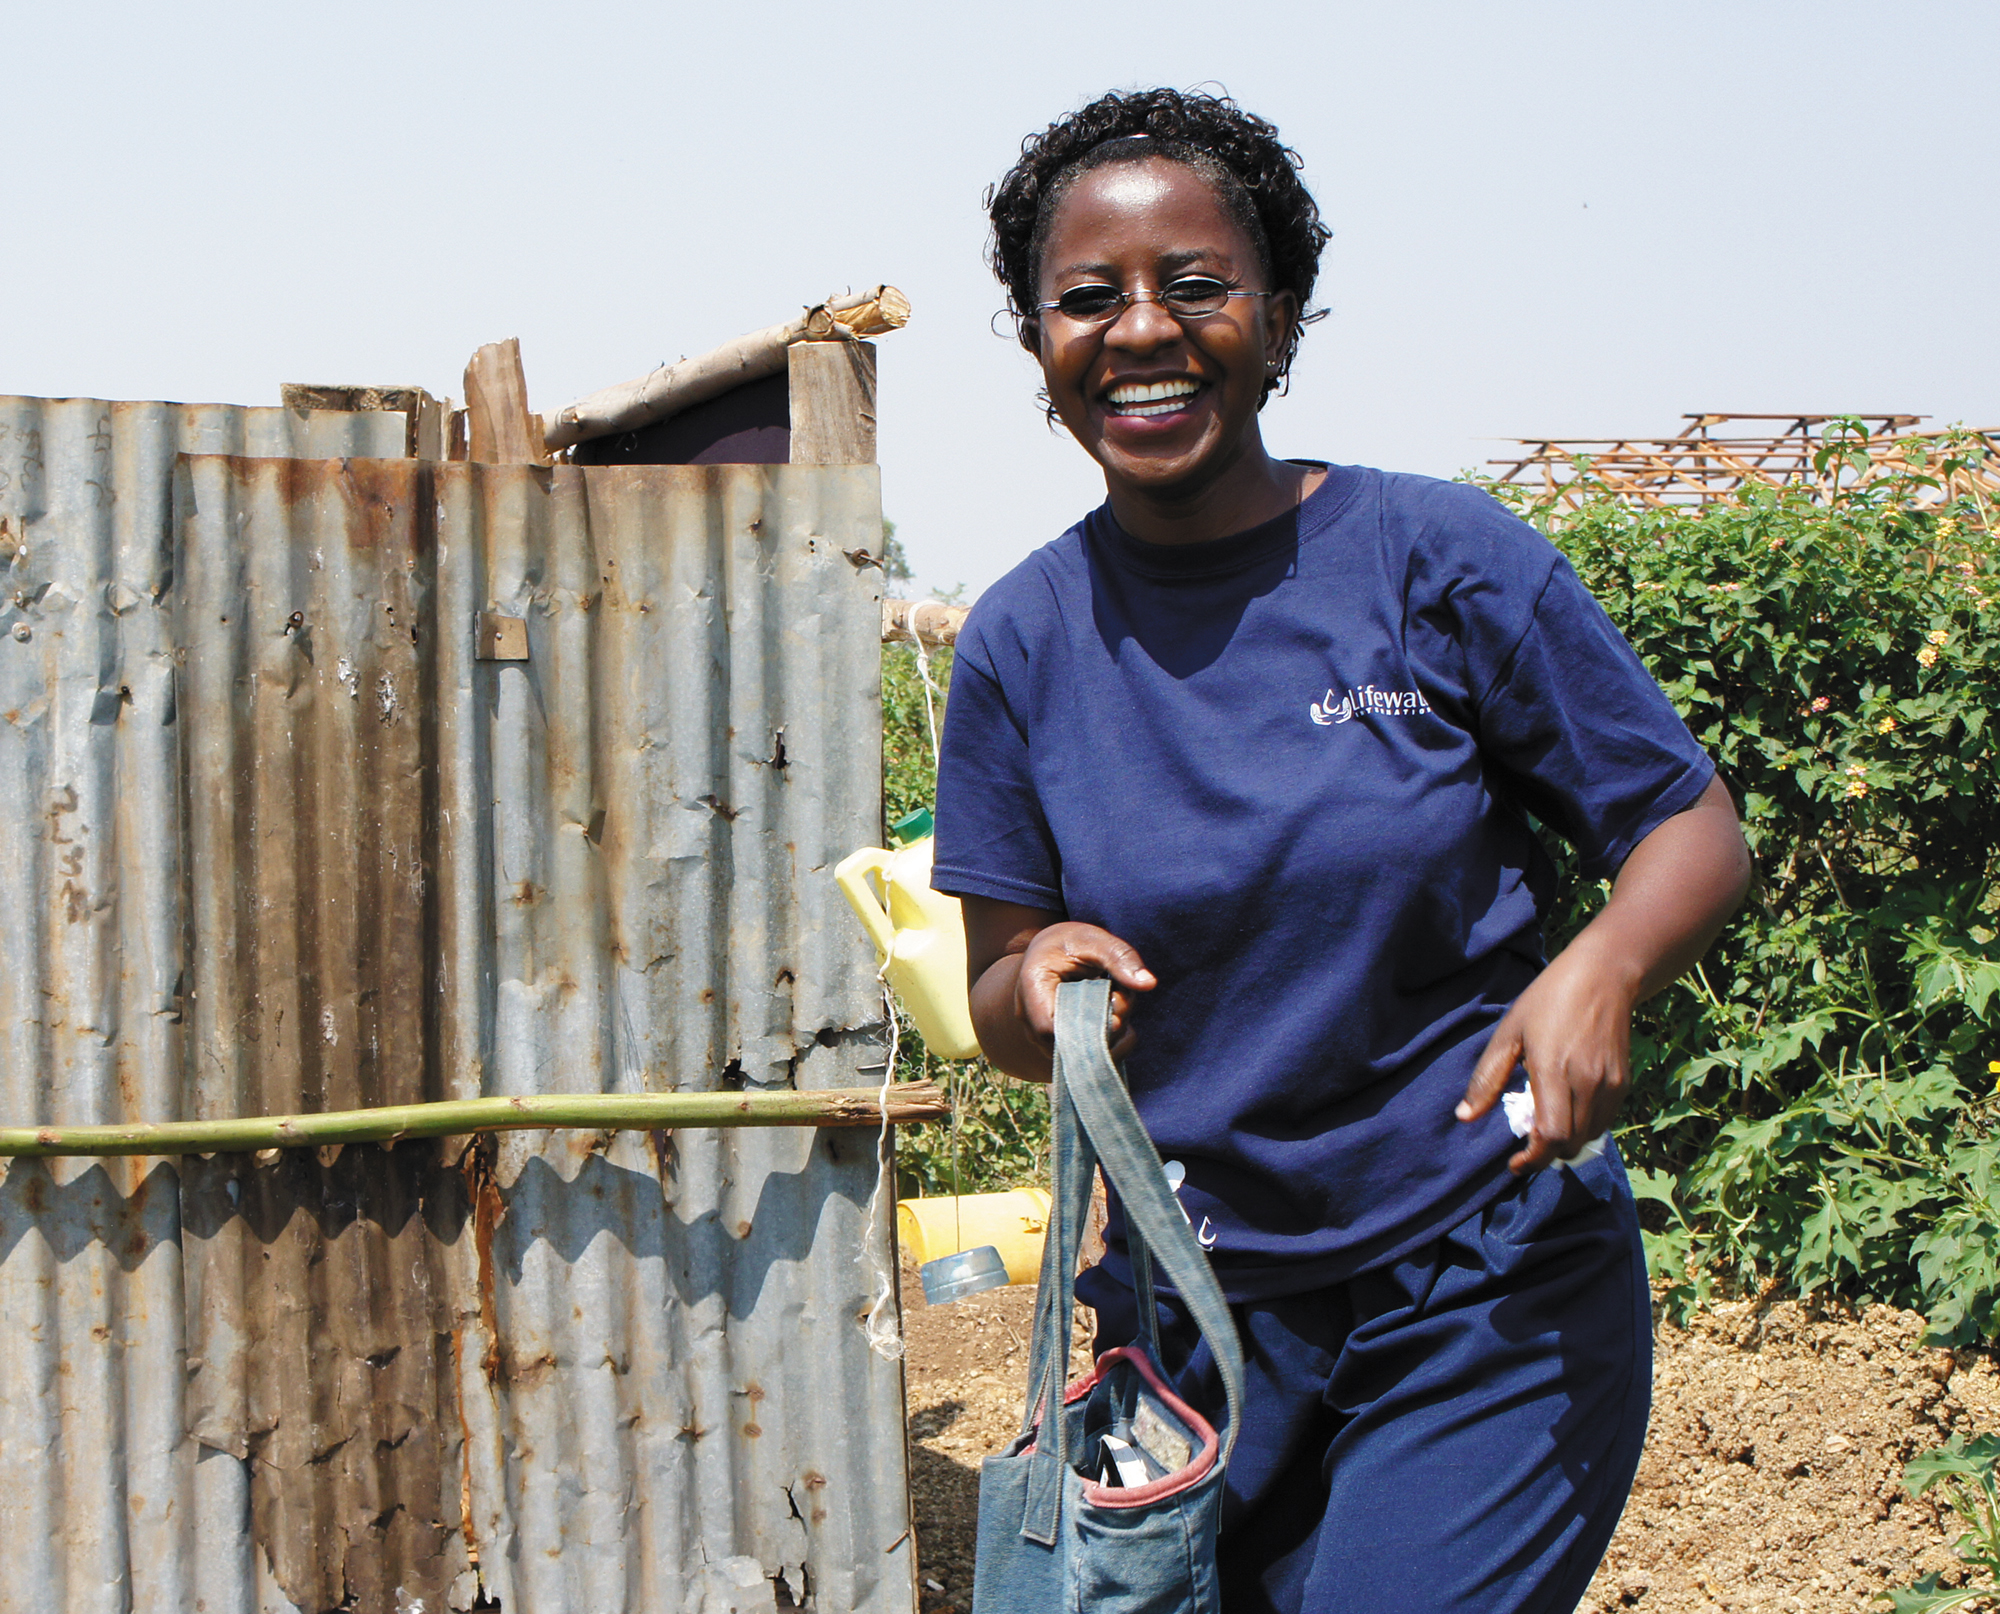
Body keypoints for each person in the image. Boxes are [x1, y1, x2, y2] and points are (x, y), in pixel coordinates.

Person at [929, 87, 1752, 1614]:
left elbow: (1689, 824)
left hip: (1481, 1277)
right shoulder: (1025, 640)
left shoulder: (1431, 560)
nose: (1142, 330)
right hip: (1193, 1327)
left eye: (1197, 284)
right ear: (1039, 343)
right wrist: (1033, 969)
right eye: (1088, 298)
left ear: (1280, 315)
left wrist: (1604, 965)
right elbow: (994, 996)